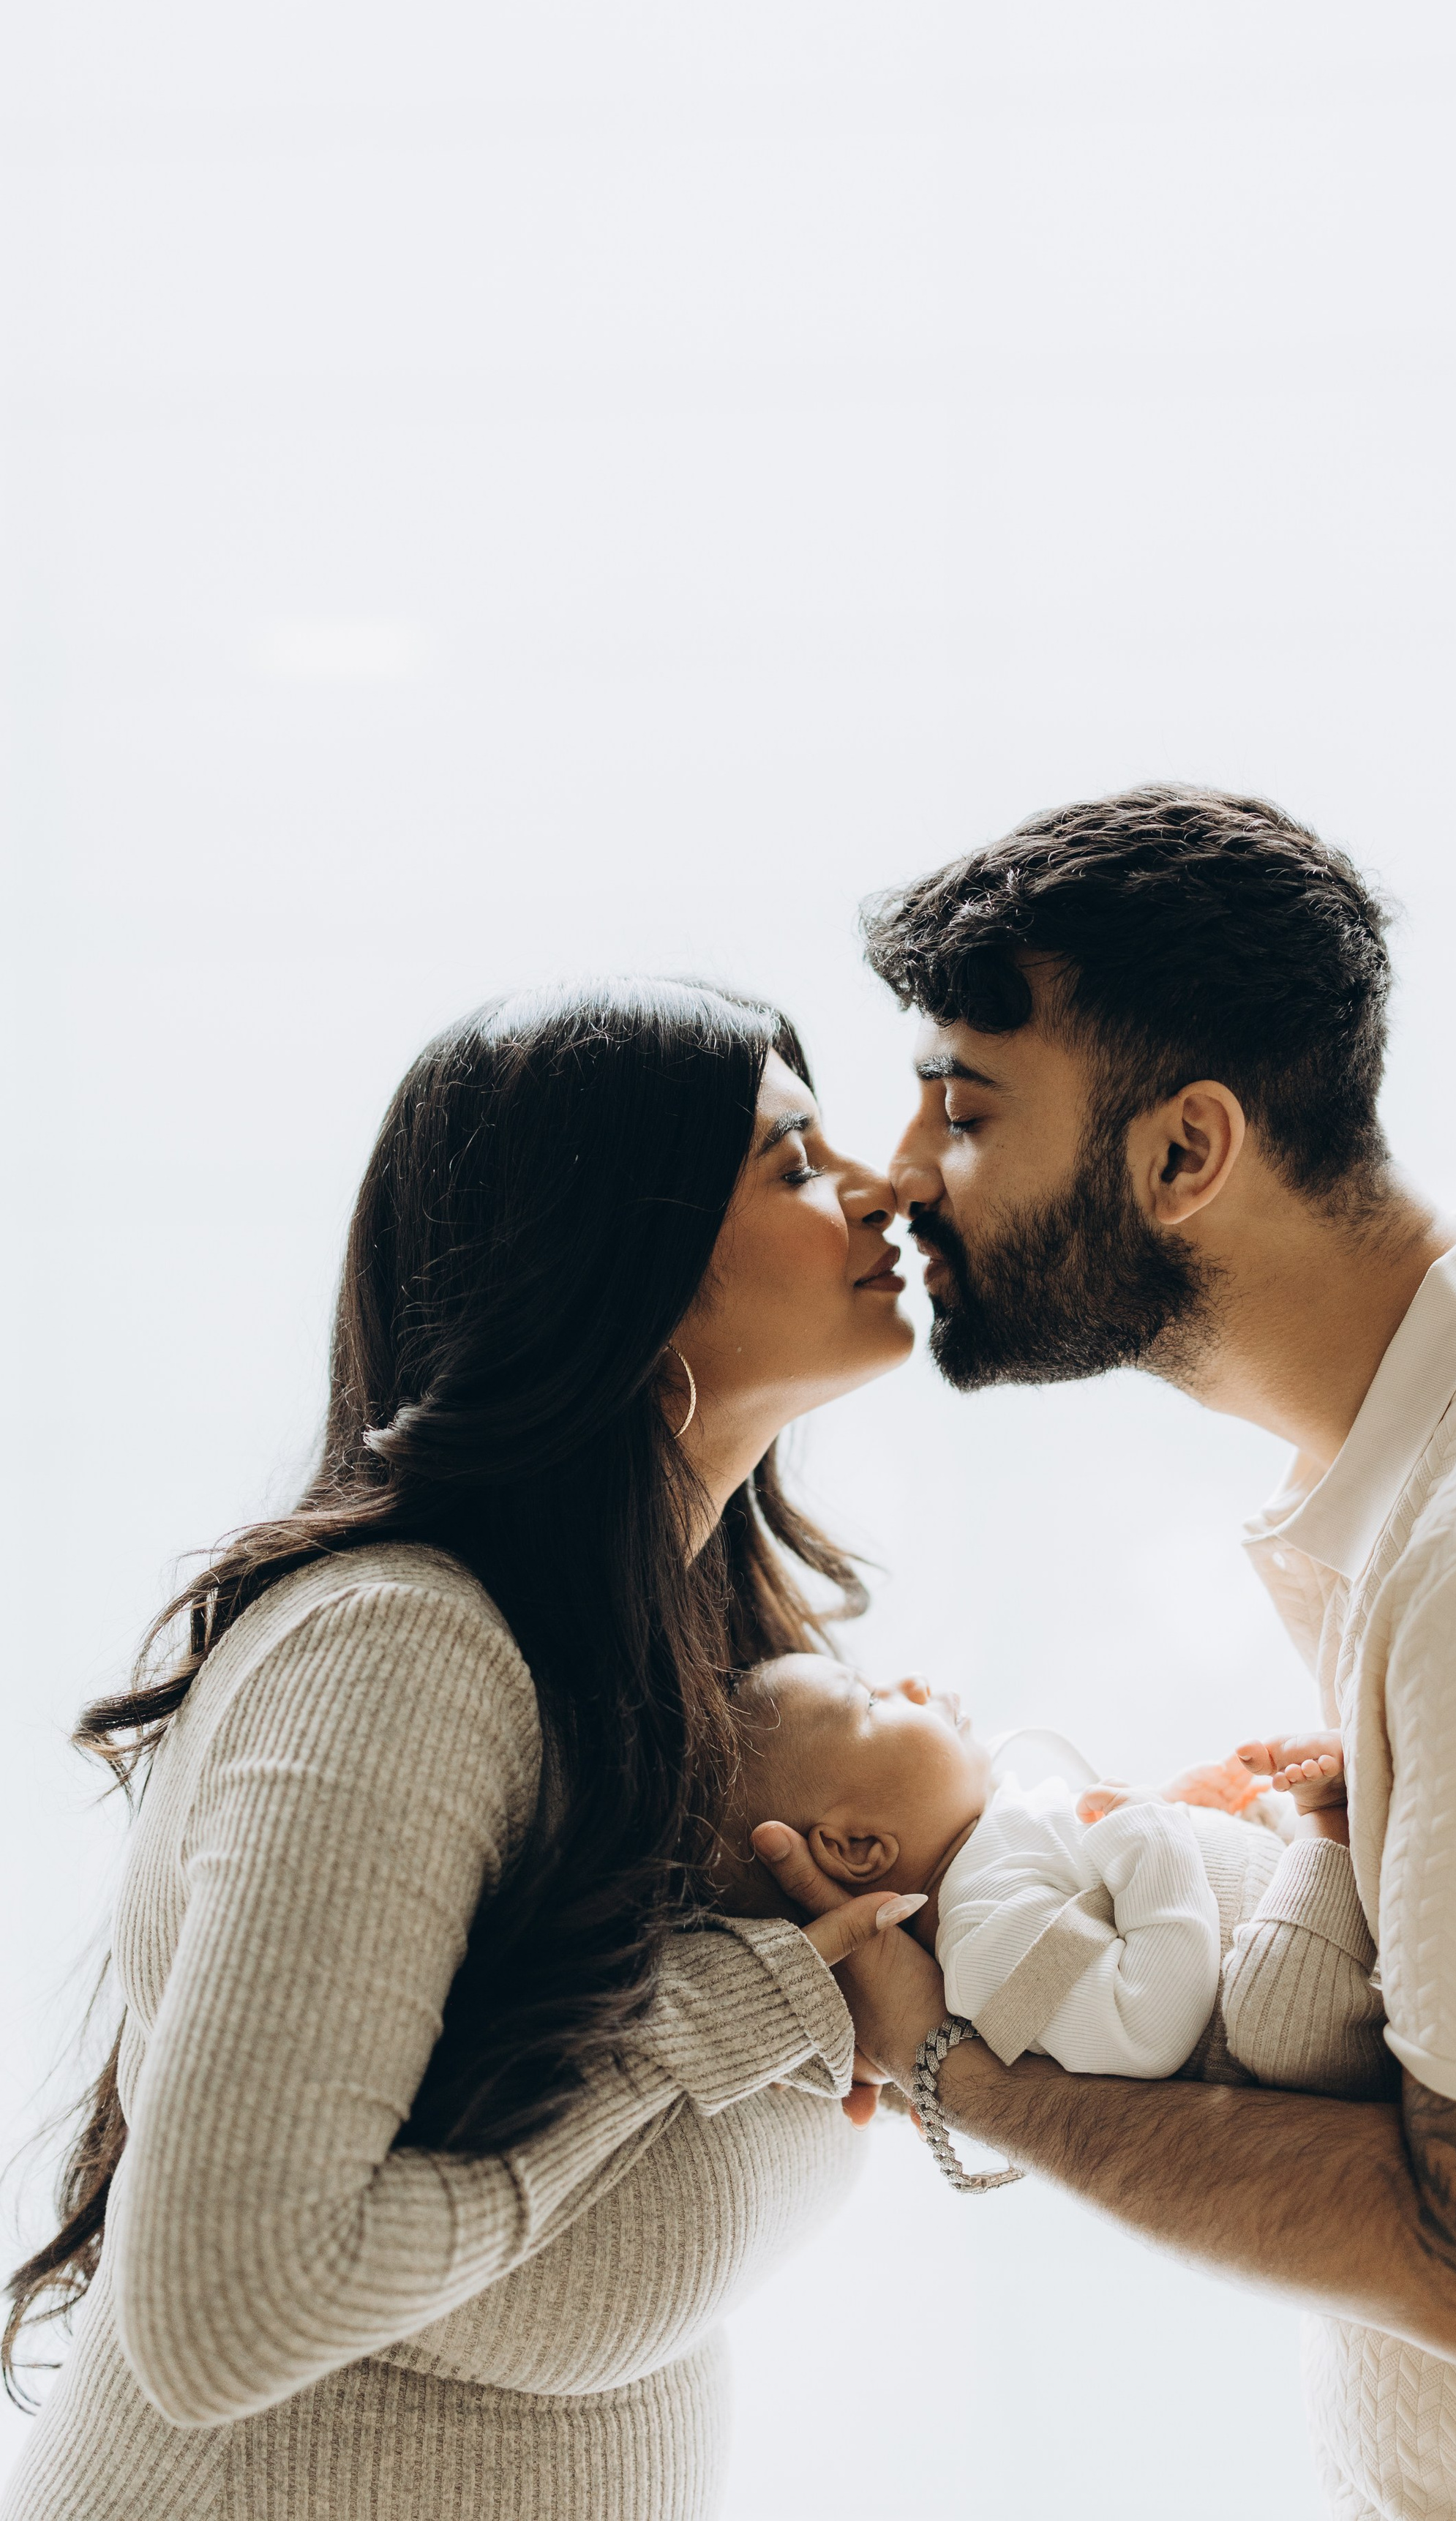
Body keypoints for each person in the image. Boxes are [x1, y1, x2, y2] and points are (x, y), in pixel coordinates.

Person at [757, 785, 1456, 2521]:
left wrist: (949, 2071)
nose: (898, 1175)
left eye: (962, 1112)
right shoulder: (1444, 1476)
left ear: (1184, 1154)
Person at [1, 979, 923, 2521]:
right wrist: (716, 2017)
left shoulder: (699, 1667)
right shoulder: (401, 1654)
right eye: (794, 1161)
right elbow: (226, 2312)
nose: (884, 1185)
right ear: (617, 1266)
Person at [713, 1654, 1384, 2093]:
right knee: (1275, 2016)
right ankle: (1327, 1821)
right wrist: (1158, 1843)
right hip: (1306, 2017)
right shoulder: (983, 1936)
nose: (912, 1682)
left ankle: (1309, 1830)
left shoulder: (995, 1840)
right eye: (869, 1702)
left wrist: (1190, 1816)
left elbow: (1118, 1894)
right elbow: (1147, 2027)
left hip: (1302, 1920)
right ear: (859, 1846)